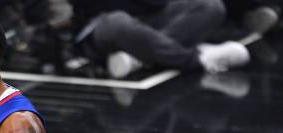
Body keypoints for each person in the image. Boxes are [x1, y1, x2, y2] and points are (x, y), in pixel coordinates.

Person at [73, 0, 251, 78]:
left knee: (210, 6)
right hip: (103, 21)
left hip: (151, 19)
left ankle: (137, 58)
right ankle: (197, 59)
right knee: (118, 22)